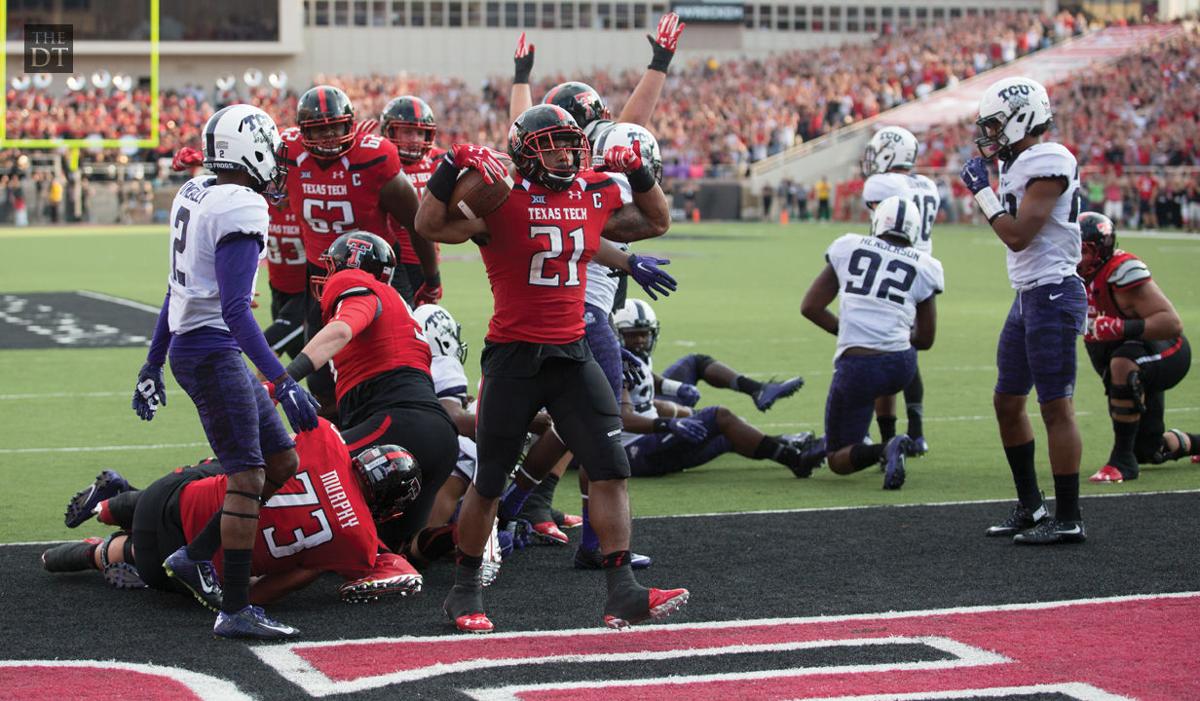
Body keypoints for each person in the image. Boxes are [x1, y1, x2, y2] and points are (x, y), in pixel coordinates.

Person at [415, 104, 687, 634]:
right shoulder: (498, 195)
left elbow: (655, 219)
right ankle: (463, 593)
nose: (567, 152)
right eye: (554, 144)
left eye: (570, 143)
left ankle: (622, 591)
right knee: (490, 480)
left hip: (572, 352)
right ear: (524, 151)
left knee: (610, 467)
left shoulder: (591, 190)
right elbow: (429, 223)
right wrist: (450, 165)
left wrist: (639, 171)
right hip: (515, 356)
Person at [131, 104, 320, 639]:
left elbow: (178, 290)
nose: (278, 163)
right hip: (211, 350)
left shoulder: (194, 192)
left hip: (201, 346)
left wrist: (153, 361)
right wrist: (282, 380)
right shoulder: (242, 204)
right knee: (248, 477)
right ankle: (235, 609)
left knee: (281, 460)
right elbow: (236, 310)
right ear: (251, 150)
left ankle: (194, 556)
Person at [45, 418, 424, 605]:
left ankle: (107, 504)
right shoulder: (358, 544)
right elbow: (293, 578)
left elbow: (264, 448)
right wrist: (242, 597)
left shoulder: (326, 439)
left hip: (172, 496)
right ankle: (92, 553)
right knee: (129, 553)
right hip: (182, 561)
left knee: (231, 474)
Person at [960, 76, 1088, 545]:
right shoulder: (1020, 161)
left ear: (1021, 118)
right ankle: (1032, 507)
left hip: (1053, 292)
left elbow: (1018, 234)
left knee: (1055, 407)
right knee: (1007, 401)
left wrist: (982, 194)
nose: (990, 135)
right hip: (1028, 294)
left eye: (996, 124)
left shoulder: (1049, 159)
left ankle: (1069, 516)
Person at [283, 231, 458, 555]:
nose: (328, 275)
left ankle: (239, 555)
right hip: (435, 437)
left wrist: (284, 378)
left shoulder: (355, 282)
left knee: (294, 469)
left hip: (398, 427)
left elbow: (341, 329)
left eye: (332, 266)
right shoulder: (399, 309)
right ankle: (465, 537)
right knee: (398, 549)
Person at [278, 85, 436, 408]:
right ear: (302, 131)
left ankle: (409, 420)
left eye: (334, 127)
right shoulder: (287, 150)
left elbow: (415, 219)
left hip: (378, 273)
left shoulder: (372, 157)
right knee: (320, 374)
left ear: (349, 124)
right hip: (322, 276)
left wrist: (430, 277)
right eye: (318, 129)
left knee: (395, 356)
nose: (328, 137)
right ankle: (336, 440)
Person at [798, 196, 943, 488]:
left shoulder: (849, 245)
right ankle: (888, 438)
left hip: (858, 367)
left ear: (877, 222)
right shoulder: (926, 264)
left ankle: (887, 448)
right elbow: (925, 340)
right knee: (885, 372)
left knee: (837, 458)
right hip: (901, 366)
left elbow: (810, 307)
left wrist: (852, 331)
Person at [614, 299, 814, 477]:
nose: (640, 341)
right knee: (720, 417)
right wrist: (670, 423)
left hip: (648, 433)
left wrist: (674, 388)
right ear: (617, 334)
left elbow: (644, 378)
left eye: (644, 335)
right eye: (633, 336)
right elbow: (624, 418)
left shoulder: (633, 358)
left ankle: (765, 404)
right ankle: (795, 458)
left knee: (729, 431)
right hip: (633, 451)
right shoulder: (615, 365)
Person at [1075, 213, 1195, 482]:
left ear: (1101, 250)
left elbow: (1171, 323)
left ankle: (1122, 462)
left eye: (1083, 249)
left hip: (1165, 351)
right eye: (1072, 247)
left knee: (1123, 364)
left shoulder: (1121, 273)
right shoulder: (1071, 275)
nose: (1076, 256)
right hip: (1127, 356)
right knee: (1148, 448)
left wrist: (1121, 327)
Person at [861, 126, 941, 454]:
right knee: (907, 354)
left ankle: (883, 437)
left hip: (892, 268)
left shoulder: (881, 184)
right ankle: (917, 433)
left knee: (880, 352)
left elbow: (882, 224)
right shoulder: (928, 184)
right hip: (921, 270)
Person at [380, 95, 447, 305]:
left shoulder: (439, 160)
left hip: (428, 261)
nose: (415, 139)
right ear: (388, 131)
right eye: (408, 131)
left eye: (420, 132)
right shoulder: (379, 161)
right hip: (394, 260)